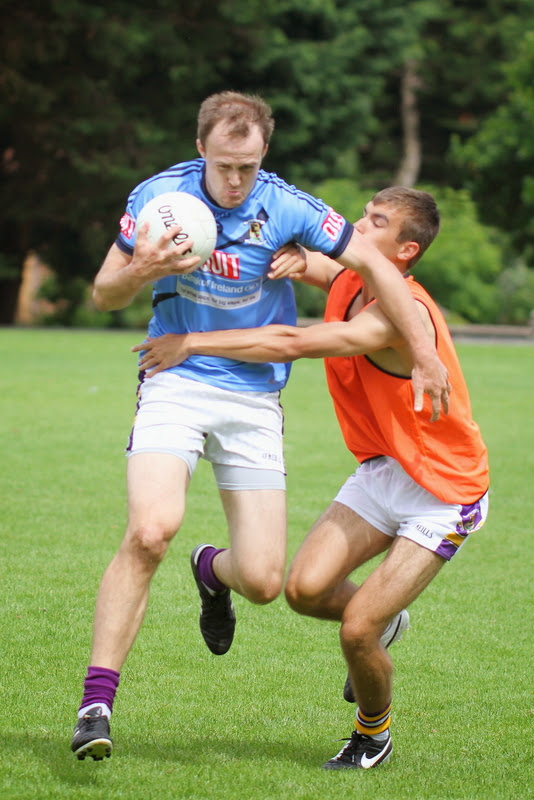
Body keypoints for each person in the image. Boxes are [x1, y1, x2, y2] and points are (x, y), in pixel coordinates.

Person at [71, 89, 450, 762]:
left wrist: (424, 353)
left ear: (263, 154)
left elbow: (373, 267)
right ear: (200, 150)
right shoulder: (160, 200)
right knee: (151, 529)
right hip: (174, 377)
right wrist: (143, 269)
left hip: (253, 400)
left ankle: (212, 573)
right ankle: (97, 703)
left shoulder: (287, 205)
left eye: (247, 166)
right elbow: (104, 292)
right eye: (224, 166)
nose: (236, 180)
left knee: (268, 582)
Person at [135, 187, 489, 771]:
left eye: (374, 222)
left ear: (403, 251)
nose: (356, 225)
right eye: (363, 212)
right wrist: (305, 261)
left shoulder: (397, 317)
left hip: (445, 491)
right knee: (302, 591)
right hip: (383, 472)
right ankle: (383, 618)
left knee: (356, 631)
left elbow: (294, 342)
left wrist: (191, 342)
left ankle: (372, 733)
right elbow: (332, 271)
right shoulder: (356, 280)